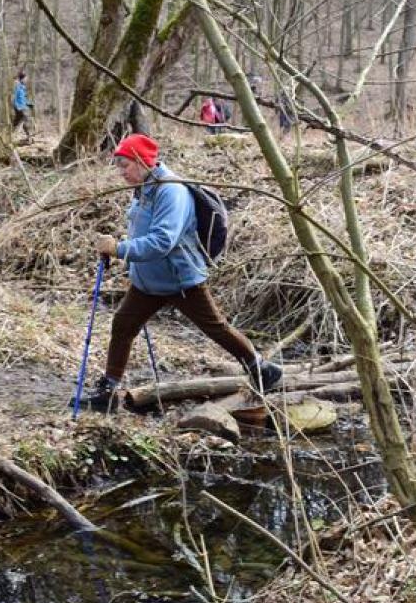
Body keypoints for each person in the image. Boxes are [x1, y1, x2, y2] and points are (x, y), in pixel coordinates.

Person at [85, 133, 282, 412]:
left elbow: (163, 240)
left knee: (215, 327)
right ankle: (108, 391)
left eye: (124, 165)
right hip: (148, 280)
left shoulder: (171, 191)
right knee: (123, 326)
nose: (121, 172)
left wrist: (119, 248)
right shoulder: (144, 188)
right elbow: (139, 229)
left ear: (142, 161)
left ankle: (262, 368)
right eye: (118, 166)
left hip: (179, 279)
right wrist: (121, 251)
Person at [12, 71, 34, 143]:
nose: (26, 80)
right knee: (28, 120)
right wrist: (19, 106)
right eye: (25, 78)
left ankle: (9, 136)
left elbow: (22, 98)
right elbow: (15, 97)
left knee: (16, 122)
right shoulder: (17, 86)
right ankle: (29, 138)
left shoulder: (22, 87)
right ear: (22, 79)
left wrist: (28, 103)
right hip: (20, 107)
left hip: (21, 106)